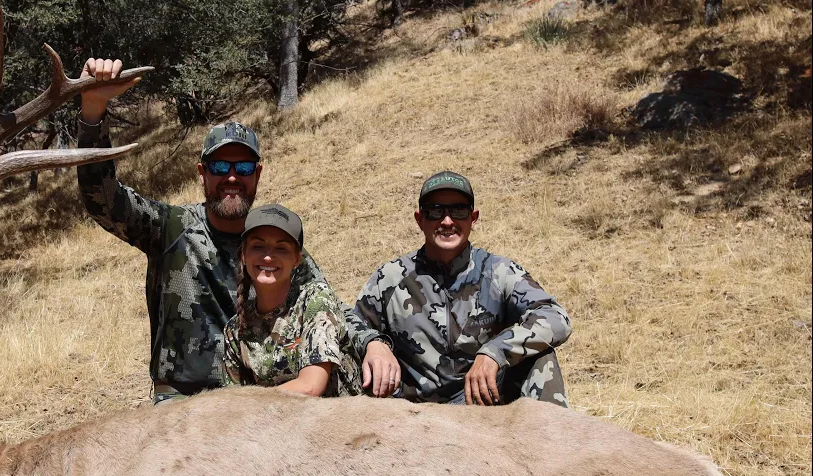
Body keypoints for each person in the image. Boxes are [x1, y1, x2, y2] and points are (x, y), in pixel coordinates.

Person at [75, 58, 394, 404]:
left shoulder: (274, 243)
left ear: (257, 174)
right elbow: (102, 200)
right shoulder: (169, 228)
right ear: (202, 172)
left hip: (256, 404)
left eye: (242, 167)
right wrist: (93, 112)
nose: (231, 177)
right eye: (219, 166)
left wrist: (375, 343)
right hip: (182, 403)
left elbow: (325, 303)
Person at [355, 171, 571, 406]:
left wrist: (496, 351)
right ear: (420, 219)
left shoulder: (498, 272)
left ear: (473, 218)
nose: (447, 221)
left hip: (483, 402)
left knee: (542, 357)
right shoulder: (391, 277)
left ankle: (548, 441)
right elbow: (349, 324)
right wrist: (373, 343)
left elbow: (555, 317)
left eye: (458, 211)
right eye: (435, 211)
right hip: (414, 414)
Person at [221, 204, 362, 397]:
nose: (268, 256)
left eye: (281, 248)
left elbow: (311, 386)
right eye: (258, 246)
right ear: (244, 255)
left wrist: (249, 404)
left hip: (337, 421)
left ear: (297, 259)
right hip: (276, 422)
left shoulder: (315, 300)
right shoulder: (235, 330)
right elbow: (233, 400)